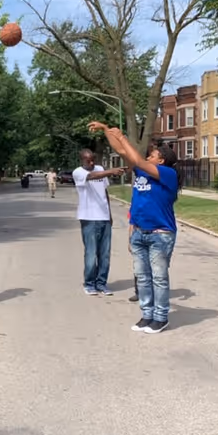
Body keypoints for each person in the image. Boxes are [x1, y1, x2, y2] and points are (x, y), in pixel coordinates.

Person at [88, 122, 179, 334]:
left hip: (160, 234)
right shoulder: (140, 170)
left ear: (162, 160)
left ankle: (161, 317)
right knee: (143, 277)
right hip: (140, 232)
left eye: (153, 155)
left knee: (159, 277)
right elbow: (121, 151)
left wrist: (122, 136)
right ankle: (147, 315)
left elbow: (135, 156)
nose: (148, 158)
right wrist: (107, 130)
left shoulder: (167, 174)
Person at [72, 149, 126, 295]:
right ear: (82, 160)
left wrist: (109, 214)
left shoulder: (100, 169)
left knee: (105, 254)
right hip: (89, 217)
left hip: (104, 217)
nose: (91, 162)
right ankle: (89, 283)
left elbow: (104, 191)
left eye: (92, 159)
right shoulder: (78, 172)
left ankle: (101, 283)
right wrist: (111, 171)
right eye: (87, 160)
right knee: (91, 252)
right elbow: (91, 176)